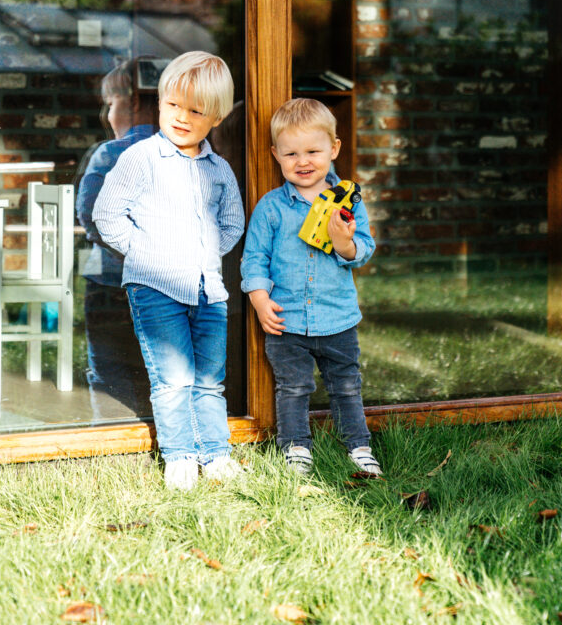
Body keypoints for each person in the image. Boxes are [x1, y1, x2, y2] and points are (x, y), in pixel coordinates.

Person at [92, 51, 245, 489]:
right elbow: (108, 213)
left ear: (214, 117)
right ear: (160, 102)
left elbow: (232, 221)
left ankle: (214, 453)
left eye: (195, 110)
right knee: (174, 377)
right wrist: (144, 252)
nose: (181, 117)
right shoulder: (141, 159)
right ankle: (180, 455)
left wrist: (206, 253)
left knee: (209, 379)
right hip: (155, 286)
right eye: (173, 105)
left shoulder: (219, 170)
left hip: (207, 289)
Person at [240, 97, 381, 476]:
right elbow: (254, 257)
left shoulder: (347, 203)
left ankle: (358, 445)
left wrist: (343, 241)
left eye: (313, 151)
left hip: (337, 318)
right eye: (291, 154)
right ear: (275, 155)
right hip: (287, 321)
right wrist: (259, 299)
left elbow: (362, 250)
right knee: (294, 387)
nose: (303, 162)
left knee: (347, 386)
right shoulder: (271, 208)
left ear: (334, 149)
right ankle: (296, 447)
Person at [75, 59, 157, 420]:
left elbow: (89, 214)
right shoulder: (176, 155)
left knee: (109, 363)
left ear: (134, 102)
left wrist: (125, 246)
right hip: (159, 278)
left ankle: (110, 426)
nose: (107, 114)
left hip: (108, 279)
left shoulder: (109, 153)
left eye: (111, 104)